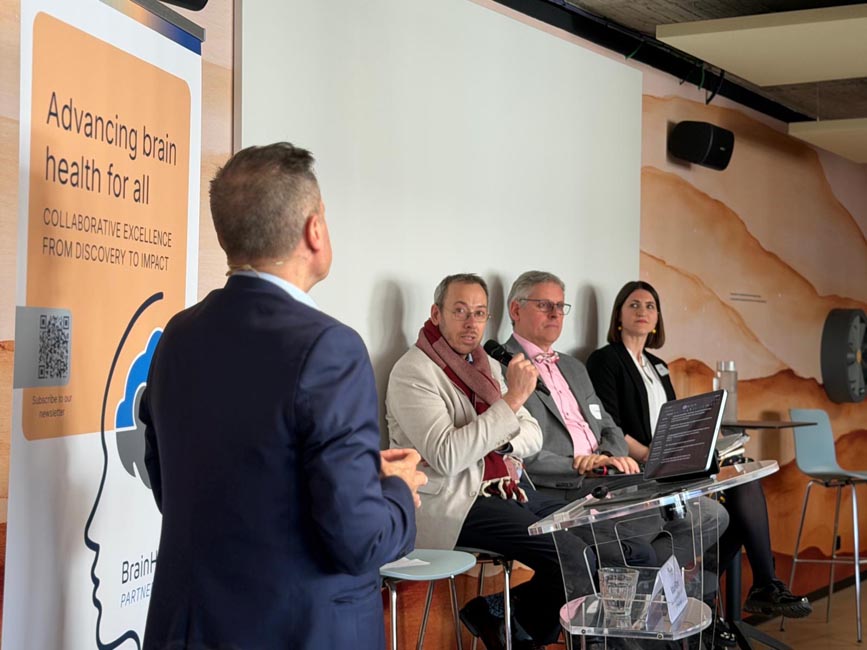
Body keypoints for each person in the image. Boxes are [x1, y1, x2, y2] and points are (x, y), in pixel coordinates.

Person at [140, 142, 425, 650]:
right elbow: (361, 541)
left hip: (192, 627)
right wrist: (397, 488)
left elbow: (179, 485)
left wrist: (359, 473)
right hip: (302, 630)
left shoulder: (177, 335)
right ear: (315, 230)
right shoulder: (329, 347)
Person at [386, 273, 595, 650]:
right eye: (460, 311)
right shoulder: (413, 372)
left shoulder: (486, 366)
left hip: (502, 487)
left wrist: (495, 436)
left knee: (597, 537)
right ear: (436, 314)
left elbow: (533, 437)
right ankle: (515, 630)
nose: (471, 323)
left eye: (480, 313)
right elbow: (448, 456)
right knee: (571, 555)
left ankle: (498, 614)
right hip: (452, 500)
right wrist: (510, 404)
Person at [586, 280, 813, 619]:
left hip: (669, 464)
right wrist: (651, 456)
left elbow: (675, 420)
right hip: (641, 470)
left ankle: (752, 586)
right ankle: (718, 594)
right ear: (618, 315)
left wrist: (703, 442)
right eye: (634, 305)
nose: (643, 312)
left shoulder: (656, 365)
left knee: (743, 476)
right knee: (735, 498)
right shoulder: (606, 360)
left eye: (650, 306)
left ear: (658, 318)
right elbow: (611, 426)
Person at [502, 271, 728, 582]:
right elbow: (514, 451)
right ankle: (640, 595)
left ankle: (642, 587)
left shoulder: (573, 367)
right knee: (638, 540)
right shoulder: (500, 367)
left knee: (711, 515)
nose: (555, 314)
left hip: (608, 479)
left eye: (560, 306)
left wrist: (608, 457)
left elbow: (609, 426)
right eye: (544, 305)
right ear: (516, 310)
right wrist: (579, 466)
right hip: (559, 489)